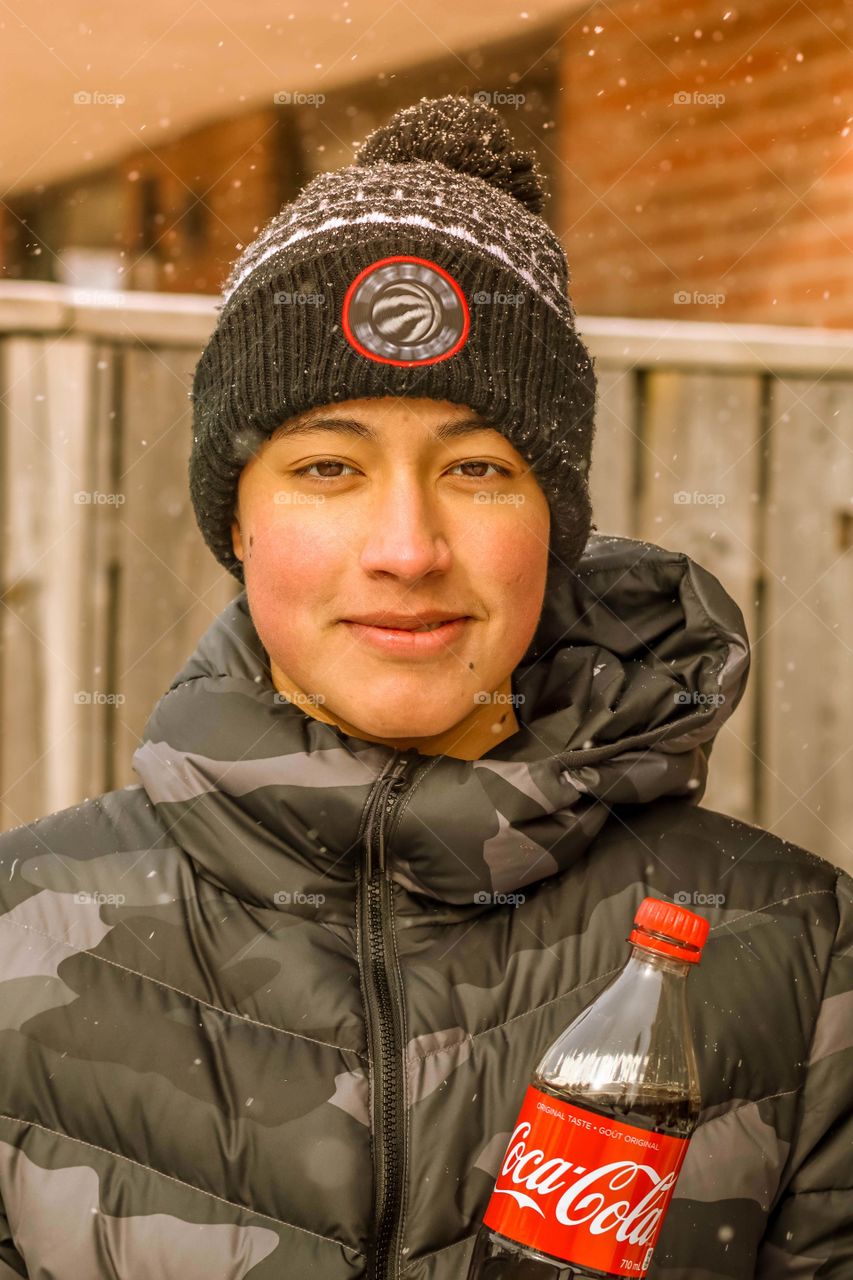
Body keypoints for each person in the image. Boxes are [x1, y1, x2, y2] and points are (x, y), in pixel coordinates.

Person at [0, 94, 850, 1280]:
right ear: (236, 520)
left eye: (477, 467)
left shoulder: (800, 959)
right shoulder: (14, 936)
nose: (407, 545)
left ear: (552, 524)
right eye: (328, 465)